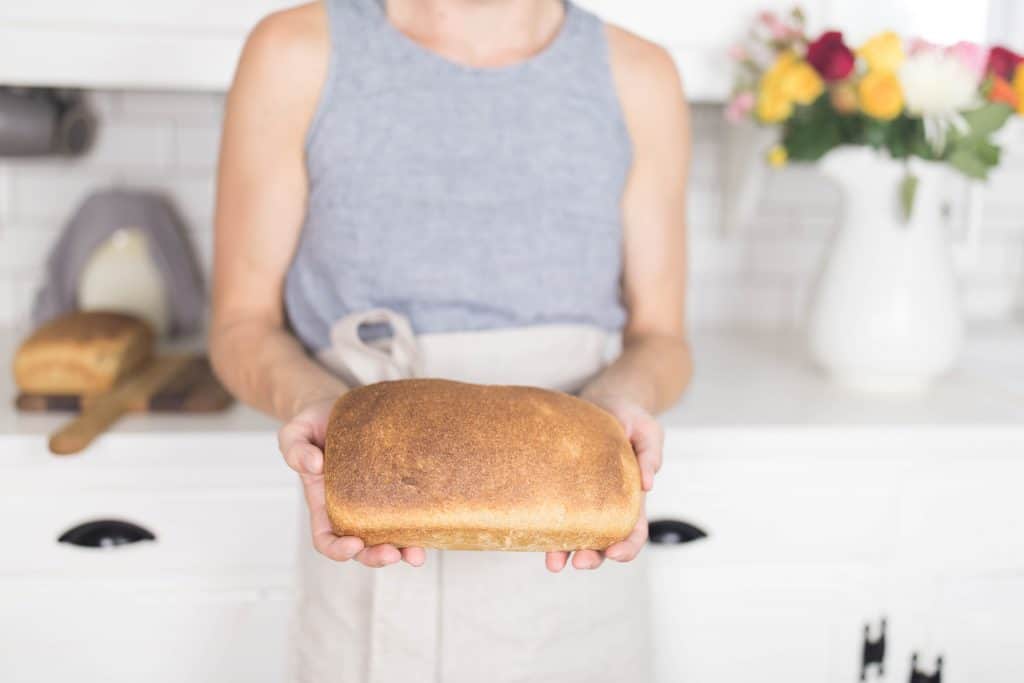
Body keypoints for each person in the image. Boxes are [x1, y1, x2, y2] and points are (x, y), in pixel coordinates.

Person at [209, 0, 692, 680]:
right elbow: (240, 323)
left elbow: (662, 337)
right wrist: (322, 409)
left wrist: (618, 406)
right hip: (368, 524)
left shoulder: (640, 78)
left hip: (572, 552)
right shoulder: (296, 52)